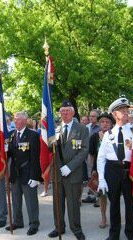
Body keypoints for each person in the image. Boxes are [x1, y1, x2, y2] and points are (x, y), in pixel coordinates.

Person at [48, 101, 89, 240]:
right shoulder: (55, 129)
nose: (64, 113)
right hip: (57, 172)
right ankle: (58, 227)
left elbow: (83, 151)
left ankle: (76, 229)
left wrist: (69, 167)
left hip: (73, 172)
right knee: (57, 203)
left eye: (67, 110)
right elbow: (49, 149)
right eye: (62, 111)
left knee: (73, 204)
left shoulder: (82, 129)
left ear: (72, 112)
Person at [97, 97, 133, 240]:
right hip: (112, 170)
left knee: (130, 203)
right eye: (122, 111)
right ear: (115, 114)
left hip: (129, 170)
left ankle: (131, 233)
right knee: (114, 204)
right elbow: (101, 158)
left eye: (126, 110)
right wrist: (101, 179)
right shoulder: (107, 135)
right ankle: (114, 234)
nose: (126, 113)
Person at [6, 111, 41, 235]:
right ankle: (17, 221)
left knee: (31, 200)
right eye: (15, 119)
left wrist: (35, 176)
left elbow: (35, 158)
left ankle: (34, 224)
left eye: (18, 119)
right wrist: (5, 150)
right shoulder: (12, 135)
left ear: (25, 121)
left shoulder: (32, 135)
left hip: (28, 172)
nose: (15, 121)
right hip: (15, 173)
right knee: (15, 199)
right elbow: (11, 154)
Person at [89, 112, 114, 229]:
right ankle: (104, 218)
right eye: (102, 122)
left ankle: (114, 218)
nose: (104, 124)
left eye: (107, 122)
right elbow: (92, 155)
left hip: (113, 169)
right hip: (99, 170)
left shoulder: (114, 135)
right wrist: (92, 170)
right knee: (102, 196)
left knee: (113, 196)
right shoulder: (94, 137)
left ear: (111, 124)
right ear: (99, 124)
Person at [82, 109, 100, 204]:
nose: (91, 118)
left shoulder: (100, 128)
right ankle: (90, 195)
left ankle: (98, 197)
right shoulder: (87, 127)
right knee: (89, 174)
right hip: (85, 153)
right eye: (90, 116)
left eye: (93, 116)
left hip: (95, 154)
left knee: (96, 174)